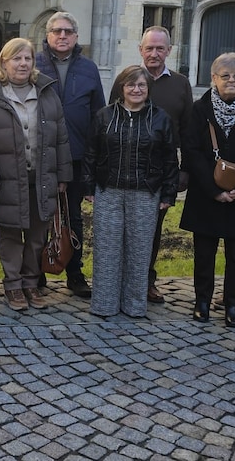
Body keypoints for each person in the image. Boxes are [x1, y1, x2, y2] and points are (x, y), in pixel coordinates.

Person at [0, 38, 72, 313]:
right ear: (4, 63)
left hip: (42, 178)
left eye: (27, 58)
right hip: (7, 180)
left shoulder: (47, 94)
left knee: (38, 236)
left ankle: (30, 283)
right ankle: (13, 285)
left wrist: (63, 176)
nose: (23, 63)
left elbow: (61, 138)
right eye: (16, 58)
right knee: (11, 235)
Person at [179, 53, 235, 328]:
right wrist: (213, 189)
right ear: (213, 78)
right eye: (225, 75)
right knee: (204, 253)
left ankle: (232, 304)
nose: (231, 80)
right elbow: (192, 151)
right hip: (206, 195)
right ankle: (202, 302)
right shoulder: (199, 109)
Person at [83, 65, 178, 318]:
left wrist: (168, 193)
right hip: (109, 190)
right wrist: (88, 186)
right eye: (131, 85)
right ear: (121, 88)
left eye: (141, 85)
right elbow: (91, 153)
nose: (136, 89)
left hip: (146, 192)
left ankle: (134, 305)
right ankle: (104, 304)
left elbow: (170, 158)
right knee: (107, 250)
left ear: (148, 89)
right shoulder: (104, 116)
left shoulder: (160, 118)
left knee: (139, 251)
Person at [34, 12, 104, 299]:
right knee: (39, 215)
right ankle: (36, 271)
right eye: (57, 31)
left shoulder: (88, 68)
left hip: (76, 155)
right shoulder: (34, 63)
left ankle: (75, 273)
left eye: (68, 31)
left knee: (73, 216)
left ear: (76, 36)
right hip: (40, 154)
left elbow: (98, 115)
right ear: (48, 35)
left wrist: (94, 159)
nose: (62, 36)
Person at [137, 26, 194, 304]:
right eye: (149, 48)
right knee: (123, 228)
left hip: (163, 169)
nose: (154, 53)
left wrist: (185, 170)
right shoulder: (129, 79)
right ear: (141, 50)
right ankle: (121, 280)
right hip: (127, 167)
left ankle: (147, 281)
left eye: (160, 48)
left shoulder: (180, 84)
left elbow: (189, 130)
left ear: (169, 51)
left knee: (152, 228)